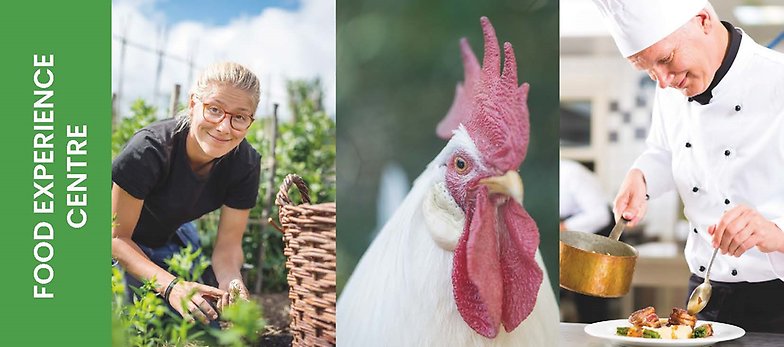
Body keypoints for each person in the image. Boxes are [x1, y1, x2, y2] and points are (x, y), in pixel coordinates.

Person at [592, 0, 784, 332]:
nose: (663, 82)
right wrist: (642, 176)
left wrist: (776, 234)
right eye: (649, 69)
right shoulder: (670, 85)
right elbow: (665, 150)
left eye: (666, 59)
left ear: (703, 20)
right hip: (704, 296)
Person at [112, 62, 261, 325]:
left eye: (239, 117)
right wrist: (171, 287)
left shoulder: (245, 164)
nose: (224, 127)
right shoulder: (149, 150)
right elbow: (117, 238)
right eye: (214, 109)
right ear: (193, 104)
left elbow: (228, 248)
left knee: (205, 325)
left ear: (250, 121)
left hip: (170, 236)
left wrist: (233, 281)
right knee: (140, 323)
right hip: (119, 243)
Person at [559, 158, 614, 323]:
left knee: (591, 302)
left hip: (599, 237)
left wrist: (564, 227)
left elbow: (600, 215)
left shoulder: (571, 174)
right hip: (574, 240)